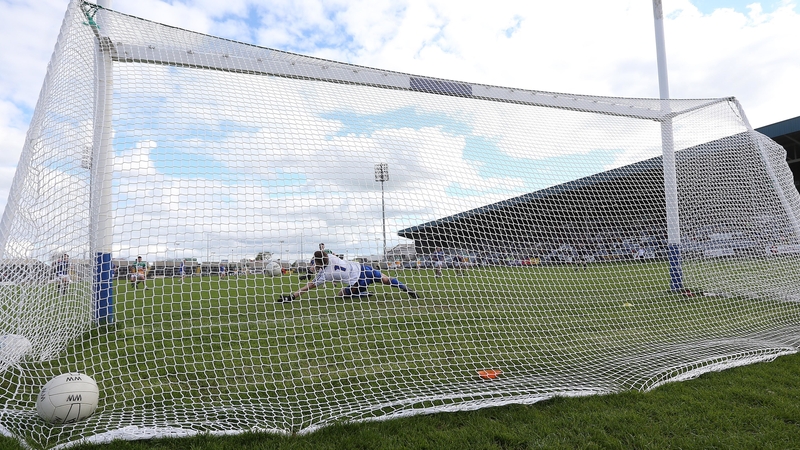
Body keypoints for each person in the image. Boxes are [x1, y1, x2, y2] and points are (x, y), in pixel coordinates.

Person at [278, 250, 418, 302]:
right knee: (385, 279)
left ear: (319, 263)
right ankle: (405, 288)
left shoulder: (325, 275)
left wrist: (292, 296)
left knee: (340, 294)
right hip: (363, 268)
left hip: (357, 282)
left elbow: (308, 286)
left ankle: (362, 294)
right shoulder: (332, 256)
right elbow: (322, 256)